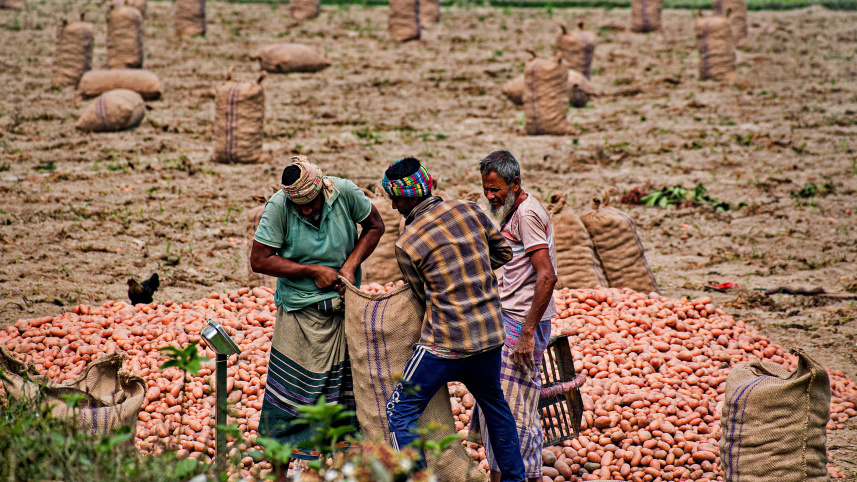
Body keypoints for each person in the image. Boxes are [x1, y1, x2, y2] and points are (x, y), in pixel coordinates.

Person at [381, 157, 527, 482]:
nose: (392, 205)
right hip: (490, 337)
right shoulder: (469, 210)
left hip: (445, 345)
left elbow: (422, 297)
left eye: (395, 198)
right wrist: (471, 269)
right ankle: (516, 479)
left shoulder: (407, 243)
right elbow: (503, 253)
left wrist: (450, 280)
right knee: (496, 408)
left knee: (400, 411)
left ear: (406, 198)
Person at [250, 155, 385, 462]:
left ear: (323, 190)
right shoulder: (278, 207)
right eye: (301, 206)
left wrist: (350, 267)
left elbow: (375, 225)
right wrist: (312, 271)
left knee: (345, 403)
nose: (307, 210)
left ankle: (342, 469)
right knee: (288, 401)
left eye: (312, 203)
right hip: (299, 314)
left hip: (341, 311)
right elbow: (259, 259)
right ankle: (280, 471)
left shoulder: (344, 192)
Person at [473, 150, 558, 482]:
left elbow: (546, 276)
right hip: (508, 318)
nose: (491, 196)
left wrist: (527, 331)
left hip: (521, 322)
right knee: (499, 408)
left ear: (515, 183)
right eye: (486, 189)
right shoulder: (511, 212)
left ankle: (524, 476)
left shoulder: (527, 215)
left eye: (497, 190)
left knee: (516, 412)